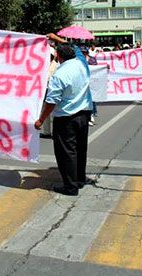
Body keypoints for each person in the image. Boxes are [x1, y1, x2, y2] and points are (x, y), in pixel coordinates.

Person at [34, 43, 93, 196]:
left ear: (58, 57)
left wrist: (41, 120)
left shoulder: (59, 75)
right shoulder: (81, 64)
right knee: (80, 149)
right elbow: (78, 51)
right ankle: (79, 179)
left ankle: (70, 186)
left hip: (66, 118)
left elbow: (51, 102)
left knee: (66, 153)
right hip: (83, 114)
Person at [81, 46, 98, 126]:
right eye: (82, 52)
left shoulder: (92, 59)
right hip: (81, 82)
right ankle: (86, 117)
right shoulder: (78, 60)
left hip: (91, 81)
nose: (83, 53)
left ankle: (91, 114)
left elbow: (97, 69)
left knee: (92, 98)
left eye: (84, 52)